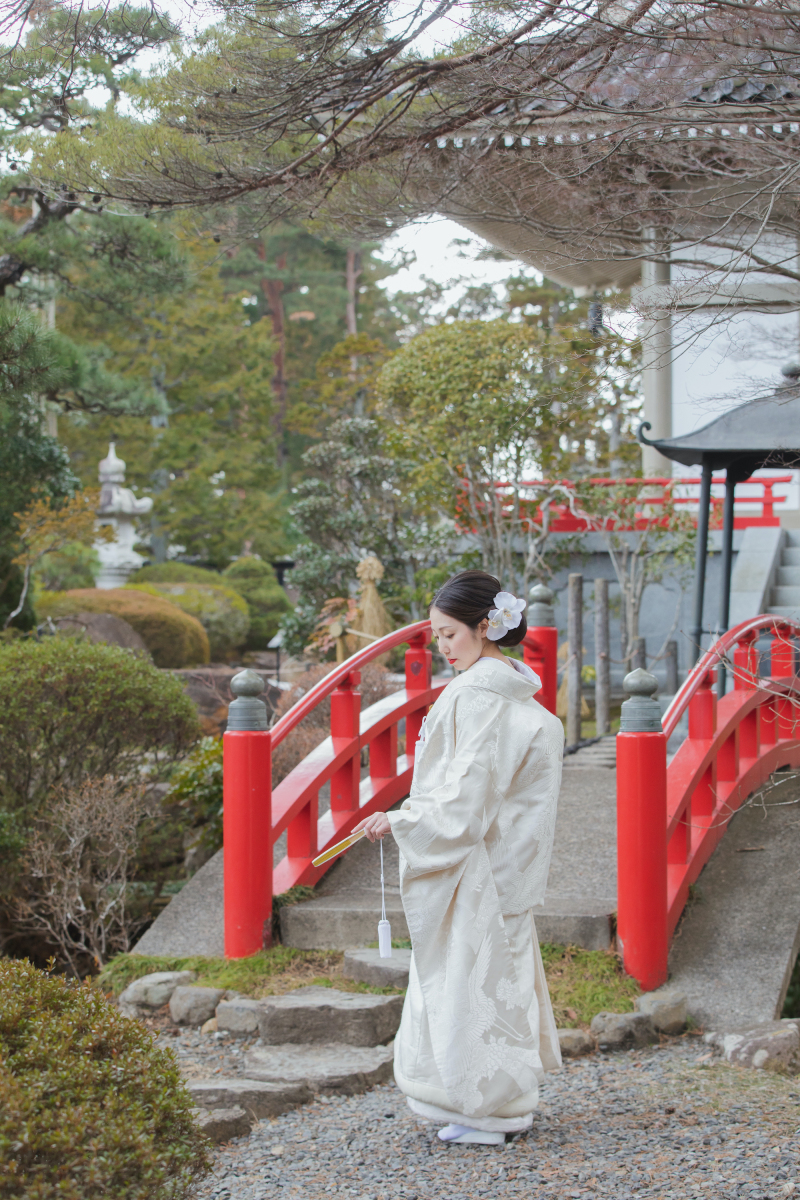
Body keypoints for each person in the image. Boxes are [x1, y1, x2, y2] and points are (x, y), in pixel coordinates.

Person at [355, 570, 564, 1146]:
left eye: (449, 634)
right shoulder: (513, 689)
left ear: (483, 627)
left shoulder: (475, 695)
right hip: (506, 864)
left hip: (480, 867)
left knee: (469, 979)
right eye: (437, 636)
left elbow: (465, 797)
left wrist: (401, 821)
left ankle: (491, 1110)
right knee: (496, 977)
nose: (443, 647)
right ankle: (500, 1104)